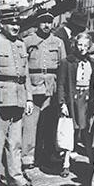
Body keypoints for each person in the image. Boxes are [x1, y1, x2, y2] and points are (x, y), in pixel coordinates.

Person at [0, 6, 36, 186]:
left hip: (19, 97)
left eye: (17, 23)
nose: (15, 26)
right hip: (0, 98)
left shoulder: (20, 44)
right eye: (11, 23)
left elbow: (25, 73)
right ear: (1, 24)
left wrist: (29, 98)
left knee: (15, 142)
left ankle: (16, 179)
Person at [22, 10, 67, 169]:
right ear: (37, 24)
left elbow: (63, 67)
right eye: (43, 22)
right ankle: (27, 158)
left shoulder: (58, 42)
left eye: (49, 21)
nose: (47, 25)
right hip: (33, 86)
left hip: (51, 87)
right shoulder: (27, 41)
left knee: (49, 124)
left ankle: (47, 155)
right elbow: (23, 67)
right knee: (29, 125)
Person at [57, 33, 94, 177]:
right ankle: (66, 163)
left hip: (86, 100)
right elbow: (61, 84)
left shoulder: (92, 62)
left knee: (86, 131)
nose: (82, 48)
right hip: (72, 100)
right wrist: (62, 103)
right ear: (75, 45)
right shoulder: (67, 62)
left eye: (86, 45)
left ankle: (91, 162)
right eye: (80, 44)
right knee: (69, 130)